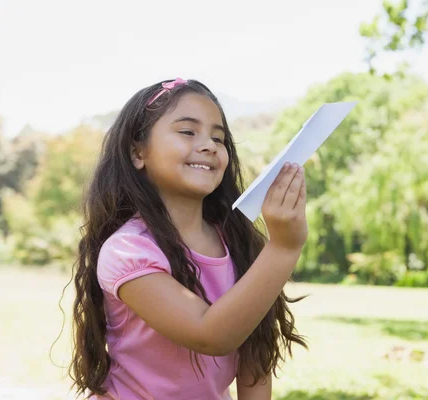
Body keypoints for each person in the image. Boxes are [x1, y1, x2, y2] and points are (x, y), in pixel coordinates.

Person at [67, 77, 309, 400]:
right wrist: (283, 248)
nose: (209, 145)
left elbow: (255, 353)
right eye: (187, 131)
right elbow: (210, 334)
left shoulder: (237, 240)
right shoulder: (128, 250)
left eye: (218, 137)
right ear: (138, 152)